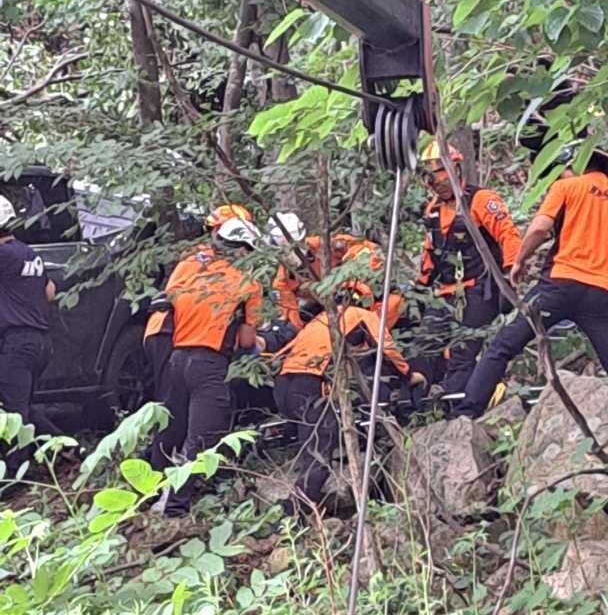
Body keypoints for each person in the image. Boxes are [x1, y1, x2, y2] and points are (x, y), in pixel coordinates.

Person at [456, 155, 608, 417]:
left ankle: (467, 414)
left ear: (580, 167)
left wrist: (519, 261)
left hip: (558, 287)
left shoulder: (566, 187)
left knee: (503, 346)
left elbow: (539, 228)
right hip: (603, 297)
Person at [152, 216, 263, 514]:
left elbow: (170, 302)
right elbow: (247, 337)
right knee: (202, 437)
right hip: (210, 363)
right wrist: (255, 347)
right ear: (243, 249)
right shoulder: (248, 282)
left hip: (175, 357)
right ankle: (175, 508)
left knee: (169, 428)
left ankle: (148, 493)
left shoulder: (187, 266)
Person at [274, 299, 424, 516]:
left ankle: (298, 508)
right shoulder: (363, 315)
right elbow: (386, 349)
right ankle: (293, 514)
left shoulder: (323, 318)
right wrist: (409, 376)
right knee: (319, 458)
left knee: (313, 447)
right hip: (310, 384)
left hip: (283, 384)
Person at [416, 141, 522, 397]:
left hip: (479, 289)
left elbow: (509, 236)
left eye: (439, 175)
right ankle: (418, 403)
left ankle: (460, 411)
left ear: (455, 169)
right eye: (430, 177)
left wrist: (511, 275)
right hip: (445, 293)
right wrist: (420, 286)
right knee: (423, 348)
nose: (434, 183)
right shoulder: (433, 210)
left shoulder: (481, 200)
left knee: (462, 351)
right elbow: (430, 251)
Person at [0, 196, 56, 478]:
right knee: (22, 405)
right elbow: (50, 291)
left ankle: (14, 477)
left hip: (18, 344)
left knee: (14, 412)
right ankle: (67, 450)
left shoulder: (2, 255)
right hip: (40, 343)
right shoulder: (28, 252)